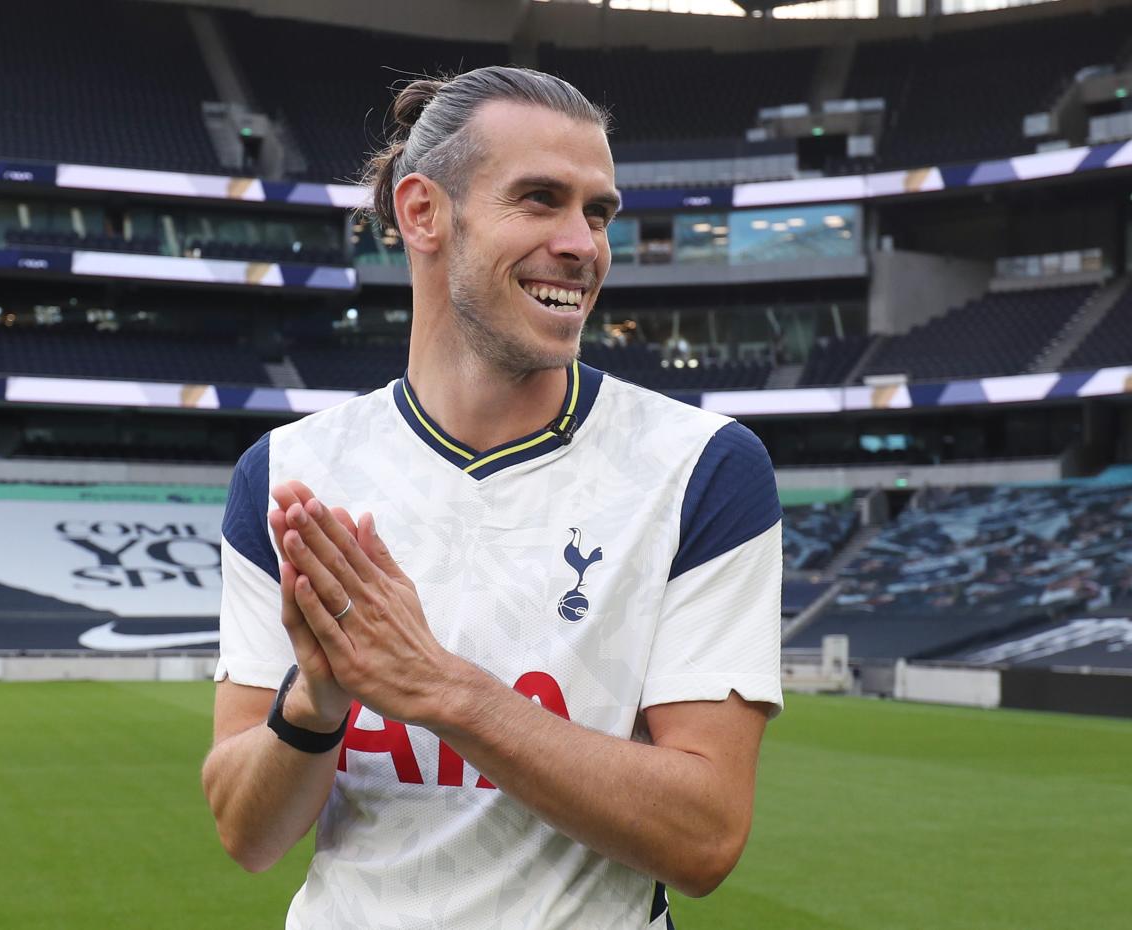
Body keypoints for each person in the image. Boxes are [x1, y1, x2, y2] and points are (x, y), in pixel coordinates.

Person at [202, 66, 783, 930]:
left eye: (598, 212)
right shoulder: (288, 473)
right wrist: (315, 701)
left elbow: (703, 838)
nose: (583, 245)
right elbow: (248, 835)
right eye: (541, 199)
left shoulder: (700, 467)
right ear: (423, 212)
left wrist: (444, 690)